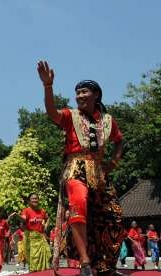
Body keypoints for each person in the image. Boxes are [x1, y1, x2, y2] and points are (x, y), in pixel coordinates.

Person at [37, 61, 126, 276]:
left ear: (96, 95)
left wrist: (114, 162)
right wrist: (48, 86)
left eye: (84, 91)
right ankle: (85, 261)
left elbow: (120, 141)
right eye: (77, 93)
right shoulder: (70, 116)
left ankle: (104, 265)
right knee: (79, 204)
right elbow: (51, 112)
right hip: (75, 168)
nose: (79, 96)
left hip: (99, 172)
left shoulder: (108, 120)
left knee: (114, 216)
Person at [14, 193, 50, 272]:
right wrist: (17, 216)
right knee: (33, 259)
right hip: (30, 238)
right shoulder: (26, 210)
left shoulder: (42, 211)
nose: (35, 200)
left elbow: (48, 218)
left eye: (36, 198)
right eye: (33, 199)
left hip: (40, 238)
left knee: (45, 256)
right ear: (29, 201)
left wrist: (46, 227)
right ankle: (34, 273)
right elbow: (23, 219)